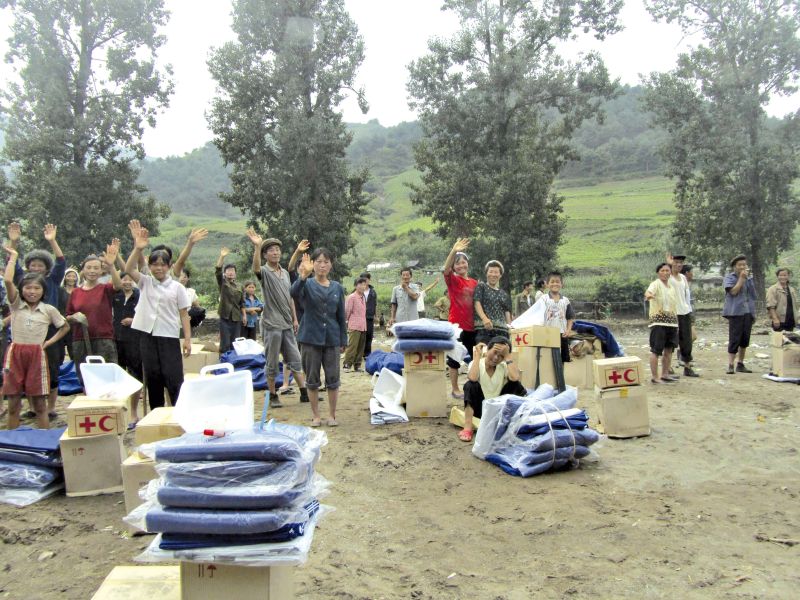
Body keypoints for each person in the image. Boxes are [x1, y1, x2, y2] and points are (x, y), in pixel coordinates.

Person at [124, 220, 192, 410]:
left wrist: (187, 339)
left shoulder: (177, 287)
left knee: (173, 378)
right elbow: (128, 269)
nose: (158, 268)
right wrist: (137, 248)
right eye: (154, 264)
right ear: (150, 266)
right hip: (148, 336)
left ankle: (178, 414)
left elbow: (184, 315)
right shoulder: (145, 282)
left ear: (169, 266)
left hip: (169, 336)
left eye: (162, 265)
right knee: (153, 379)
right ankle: (156, 415)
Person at [3, 246, 70, 430]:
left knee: (41, 405)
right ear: (21, 290)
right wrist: (13, 256)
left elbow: (65, 326)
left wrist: (49, 342)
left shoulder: (48, 309)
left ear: (43, 291)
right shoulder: (16, 305)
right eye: (28, 288)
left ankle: (43, 440)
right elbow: (8, 280)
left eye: (37, 288)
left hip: (37, 354)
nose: (32, 291)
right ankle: (12, 439)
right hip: (15, 353)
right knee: (13, 404)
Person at [247, 230, 309, 408]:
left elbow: (290, 298)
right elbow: (255, 268)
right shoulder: (265, 272)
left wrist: (294, 319)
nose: (275, 253)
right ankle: (273, 395)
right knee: (272, 361)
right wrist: (257, 246)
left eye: (277, 250)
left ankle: (304, 392)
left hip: (287, 323)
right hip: (271, 324)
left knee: (295, 359)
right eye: (271, 250)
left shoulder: (285, 273)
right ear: (265, 255)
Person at [291, 248, 347, 427]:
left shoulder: (337, 287)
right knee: (312, 379)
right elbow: (293, 293)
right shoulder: (306, 284)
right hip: (310, 339)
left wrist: (343, 340)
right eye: (319, 262)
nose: (322, 265)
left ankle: (332, 415)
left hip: (332, 339)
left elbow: (341, 316)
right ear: (312, 264)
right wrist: (302, 276)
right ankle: (316, 416)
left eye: (326, 262)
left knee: (333, 379)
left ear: (331, 265)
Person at [66, 243, 123, 379]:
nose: (92, 271)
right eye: (89, 267)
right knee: (85, 378)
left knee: (107, 376)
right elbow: (67, 316)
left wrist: (111, 265)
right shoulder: (76, 292)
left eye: (96, 268)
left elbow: (118, 285)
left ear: (101, 271)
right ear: (83, 270)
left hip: (103, 339)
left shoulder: (105, 288)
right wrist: (75, 317)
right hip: (80, 340)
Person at [458, 337, 524, 442]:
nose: (496, 358)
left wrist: (507, 356)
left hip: (498, 410)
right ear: (487, 349)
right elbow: (473, 378)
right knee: (470, 385)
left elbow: (515, 377)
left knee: (516, 385)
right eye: (494, 353)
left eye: (501, 355)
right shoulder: (477, 363)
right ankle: (468, 427)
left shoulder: (503, 366)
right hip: (479, 410)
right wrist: (477, 356)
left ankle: (512, 422)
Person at [443, 238, 478, 399]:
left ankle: (475, 386)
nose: (461, 265)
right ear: (454, 267)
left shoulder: (475, 283)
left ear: (467, 264)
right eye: (457, 264)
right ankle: (455, 388)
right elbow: (446, 269)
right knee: (454, 359)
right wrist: (454, 251)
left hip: (473, 327)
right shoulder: (453, 280)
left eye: (463, 262)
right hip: (457, 326)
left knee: (476, 357)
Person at [113, 272, 143, 424]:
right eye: (124, 279)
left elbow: (147, 314)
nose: (127, 282)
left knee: (135, 376)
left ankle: (133, 412)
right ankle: (118, 412)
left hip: (134, 340)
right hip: (115, 340)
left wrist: (134, 320)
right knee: (117, 377)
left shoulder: (140, 295)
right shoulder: (114, 295)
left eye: (130, 280)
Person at [645, 263, 679, 384]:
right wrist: (649, 296)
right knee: (656, 350)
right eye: (662, 270)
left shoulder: (672, 288)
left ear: (670, 272)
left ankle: (665, 374)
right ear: (658, 272)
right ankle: (655, 377)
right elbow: (648, 292)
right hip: (658, 322)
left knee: (669, 350)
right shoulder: (655, 284)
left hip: (672, 323)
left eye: (667, 270)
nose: (665, 273)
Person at [723, 255, 757, 374]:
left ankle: (740, 364)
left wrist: (753, 313)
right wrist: (741, 279)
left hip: (748, 311)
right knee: (734, 338)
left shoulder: (749, 278)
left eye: (744, 264)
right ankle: (730, 365)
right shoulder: (729, 278)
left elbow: (753, 295)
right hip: (735, 312)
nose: (742, 267)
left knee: (745, 339)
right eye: (740, 265)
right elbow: (733, 292)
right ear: (734, 267)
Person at [667, 254, 698, 377]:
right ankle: (668, 367)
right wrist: (668, 264)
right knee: (671, 341)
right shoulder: (668, 277)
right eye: (676, 262)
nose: (679, 264)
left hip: (685, 312)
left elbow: (686, 296)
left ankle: (687, 367)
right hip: (673, 313)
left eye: (681, 262)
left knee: (687, 341)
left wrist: (688, 310)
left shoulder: (683, 278)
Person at [538, 271, 575, 364]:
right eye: (552, 281)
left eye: (557, 282)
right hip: (547, 333)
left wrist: (568, 330)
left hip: (562, 334)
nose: (555, 284)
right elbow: (537, 315)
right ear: (547, 284)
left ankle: (562, 373)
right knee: (548, 359)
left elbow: (570, 317)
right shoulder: (543, 299)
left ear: (562, 284)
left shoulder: (565, 300)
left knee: (564, 359)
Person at [473, 260, 512, 344]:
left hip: (502, 333)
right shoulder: (481, 286)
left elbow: (507, 311)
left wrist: (509, 326)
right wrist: (484, 319)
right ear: (486, 273)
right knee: (484, 352)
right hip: (484, 330)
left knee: (501, 352)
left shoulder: (503, 293)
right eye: (491, 272)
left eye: (496, 272)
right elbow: (476, 302)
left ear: (500, 275)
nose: (493, 275)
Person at [215, 247, 244, 356]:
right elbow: (218, 270)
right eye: (228, 270)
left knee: (235, 343)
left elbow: (242, 303)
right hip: (225, 317)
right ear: (225, 273)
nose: (231, 272)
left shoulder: (240, 286)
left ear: (235, 274)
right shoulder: (223, 283)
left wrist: (244, 316)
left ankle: (233, 362)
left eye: (232, 270)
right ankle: (223, 361)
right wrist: (222, 256)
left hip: (237, 318)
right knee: (225, 343)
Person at [343, 277, 368, 372]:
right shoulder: (352, 297)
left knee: (361, 347)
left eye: (364, 284)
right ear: (355, 286)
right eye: (360, 284)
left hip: (363, 325)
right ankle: (347, 364)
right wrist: (346, 322)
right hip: (354, 325)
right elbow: (347, 311)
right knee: (352, 346)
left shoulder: (363, 297)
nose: (362, 286)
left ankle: (357, 365)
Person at [766, 268, 798, 332]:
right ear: (777, 276)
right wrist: (775, 319)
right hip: (779, 321)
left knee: (789, 337)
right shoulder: (773, 289)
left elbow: (795, 305)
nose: (783, 277)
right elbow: (770, 306)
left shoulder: (792, 290)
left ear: (788, 276)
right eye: (780, 275)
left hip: (791, 320)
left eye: (785, 275)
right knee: (779, 337)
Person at [360, 271, 377, 356]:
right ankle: (359, 354)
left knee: (369, 335)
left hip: (369, 316)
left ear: (369, 280)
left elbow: (375, 304)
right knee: (360, 336)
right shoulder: (357, 290)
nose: (365, 281)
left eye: (366, 279)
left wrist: (375, 315)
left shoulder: (373, 292)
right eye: (363, 279)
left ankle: (367, 354)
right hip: (359, 317)